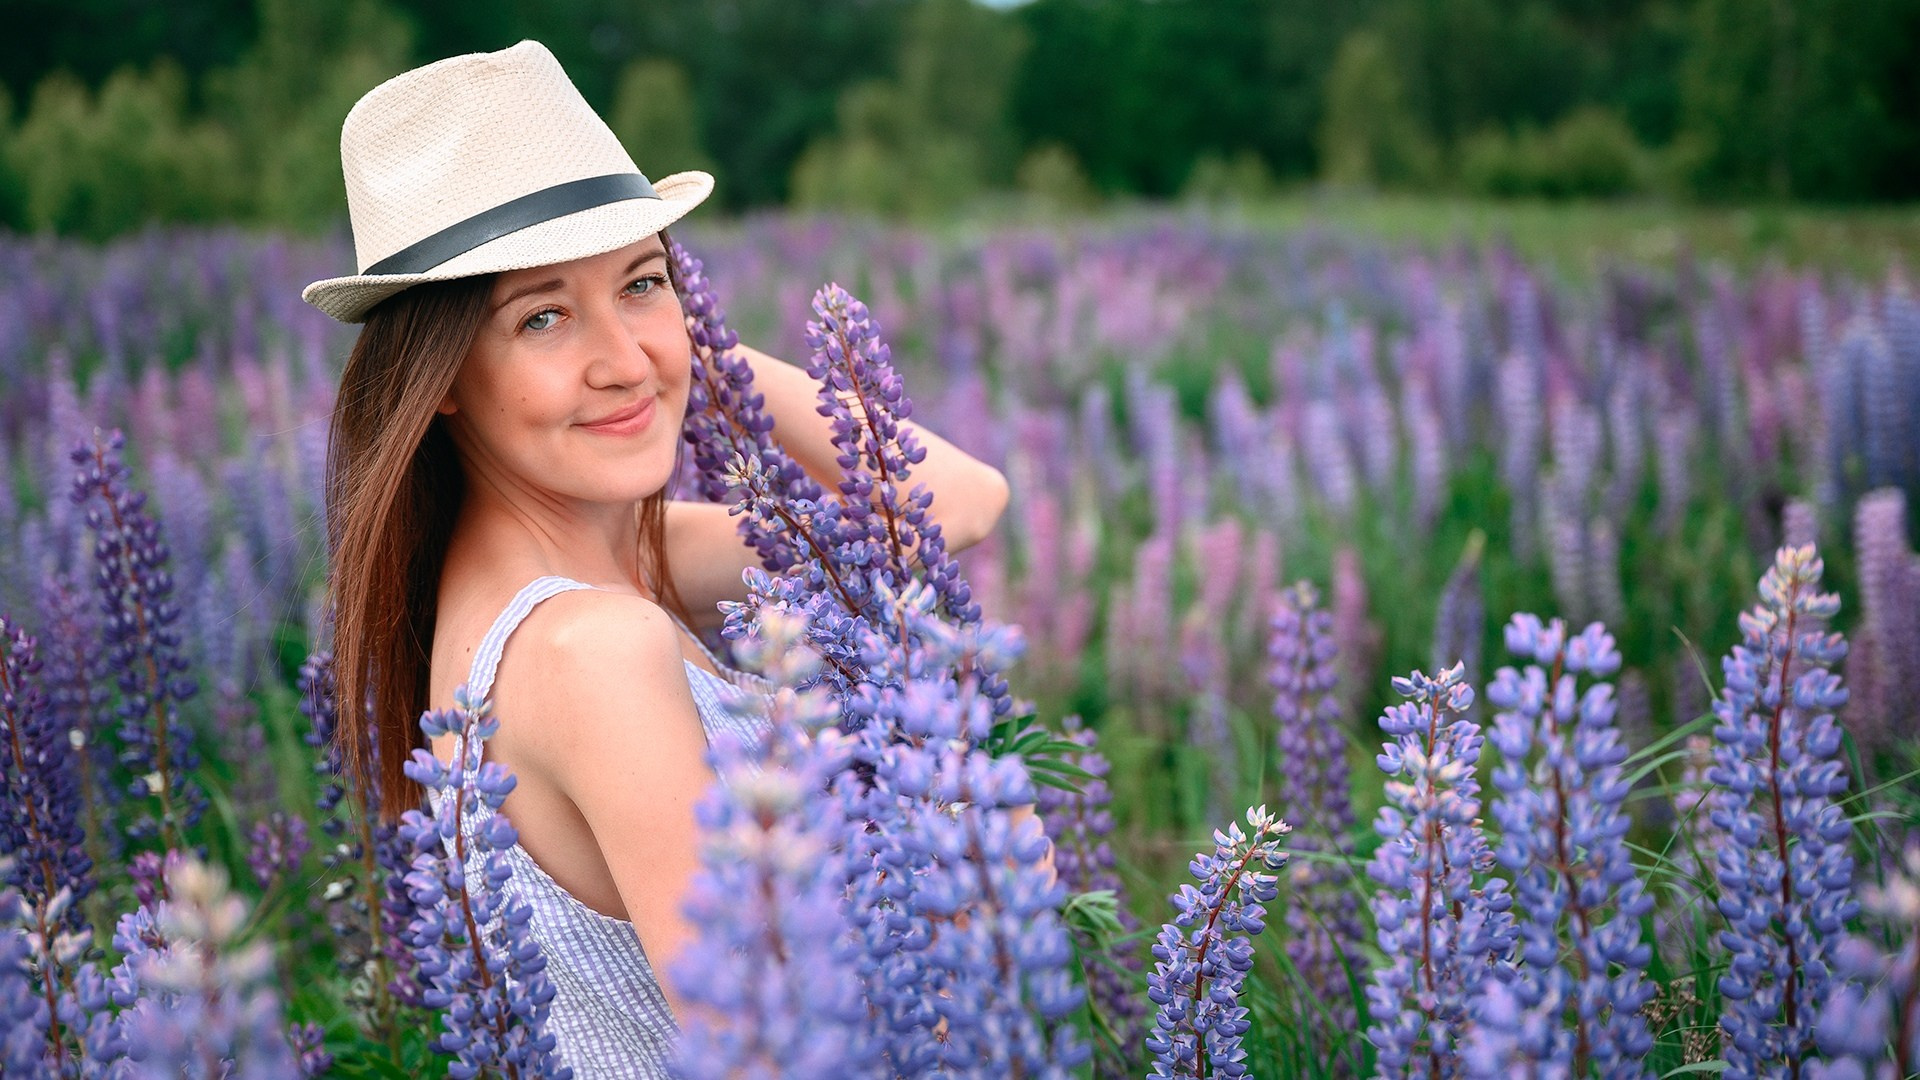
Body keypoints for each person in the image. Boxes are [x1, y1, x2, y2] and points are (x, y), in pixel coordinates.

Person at [301, 41, 1009, 1074]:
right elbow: (773, 1050)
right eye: (541, 316)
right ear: (440, 374)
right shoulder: (594, 648)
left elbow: (958, 505)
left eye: (642, 282)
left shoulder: (603, 565)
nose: (620, 358)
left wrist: (695, 359)